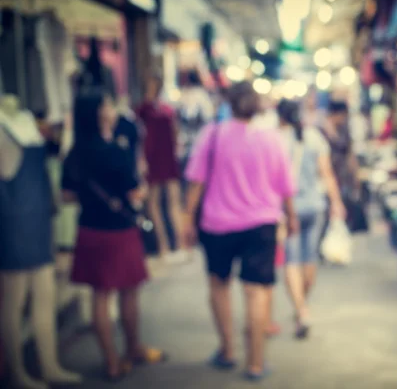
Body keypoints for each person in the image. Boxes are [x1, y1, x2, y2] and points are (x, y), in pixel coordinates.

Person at [182, 81, 298, 381]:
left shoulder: (213, 134)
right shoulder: (271, 138)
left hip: (217, 224)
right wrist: (292, 216)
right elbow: (286, 186)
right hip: (261, 224)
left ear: (228, 103)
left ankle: (228, 350)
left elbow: (196, 181)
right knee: (256, 291)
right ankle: (256, 362)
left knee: (219, 285)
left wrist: (186, 219)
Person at [61, 92, 166, 382]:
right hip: (119, 231)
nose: (112, 110)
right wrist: (140, 191)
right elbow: (135, 193)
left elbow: (67, 195)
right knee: (129, 291)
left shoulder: (76, 151)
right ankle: (132, 348)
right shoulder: (116, 152)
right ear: (100, 113)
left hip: (90, 229)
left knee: (100, 295)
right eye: (107, 105)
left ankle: (111, 361)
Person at [277, 99, 345, 338]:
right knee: (309, 257)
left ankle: (301, 309)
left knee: (291, 261)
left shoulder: (277, 140)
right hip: (315, 206)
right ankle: (302, 306)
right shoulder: (314, 137)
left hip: (288, 209)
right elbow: (326, 173)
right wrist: (336, 202)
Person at [136, 75, 184, 261]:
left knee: (173, 201)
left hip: (167, 156)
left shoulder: (166, 109)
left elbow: (175, 131)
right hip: (152, 158)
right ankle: (163, 245)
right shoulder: (142, 110)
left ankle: (180, 243)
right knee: (153, 203)